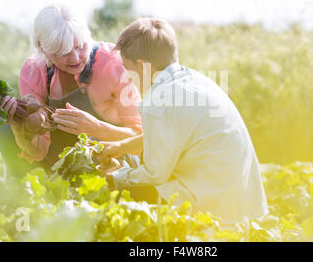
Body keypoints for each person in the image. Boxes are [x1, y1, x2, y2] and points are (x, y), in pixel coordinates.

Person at [98, 18, 268, 223]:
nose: (126, 76)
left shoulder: (158, 100)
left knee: (118, 199)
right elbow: (173, 134)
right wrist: (122, 146)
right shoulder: (197, 80)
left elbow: (154, 175)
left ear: (142, 66)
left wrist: (112, 179)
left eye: (127, 68)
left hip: (211, 203)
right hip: (241, 199)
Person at [0, 4, 142, 177]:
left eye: (80, 46)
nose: (75, 58)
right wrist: (21, 128)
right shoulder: (34, 71)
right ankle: (24, 198)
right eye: (62, 53)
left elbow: (142, 139)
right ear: (43, 49)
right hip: (64, 162)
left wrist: (95, 128)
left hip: (114, 160)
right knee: (6, 133)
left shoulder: (115, 64)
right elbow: (38, 153)